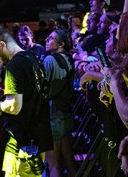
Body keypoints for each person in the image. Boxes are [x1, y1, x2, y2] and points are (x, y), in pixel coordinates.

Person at [0, 26, 53, 177]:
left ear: (2, 45)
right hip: (35, 138)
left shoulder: (14, 66)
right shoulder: (30, 58)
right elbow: (32, 93)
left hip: (24, 142)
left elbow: (14, 107)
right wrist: (6, 93)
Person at [44, 29, 76, 177]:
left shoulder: (50, 60)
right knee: (70, 163)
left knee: (53, 166)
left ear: (61, 43)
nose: (46, 40)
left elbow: (44, 90)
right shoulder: (69, 59)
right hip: (66, 115)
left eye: (51, 38)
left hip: (53, 117)